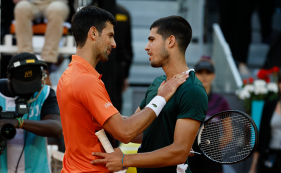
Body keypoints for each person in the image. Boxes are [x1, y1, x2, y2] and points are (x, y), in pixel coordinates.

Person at [56, 6, 188, 173]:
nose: (114, 43)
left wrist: (171, 141)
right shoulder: (85, 81)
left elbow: (118, 127)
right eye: (110, 35)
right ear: (93, 33)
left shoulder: (69, 75)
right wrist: (161, 97)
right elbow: (125, 132)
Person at [92, 16, 208, 173]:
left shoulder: (193, 90)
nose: (147, 47)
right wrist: (97, 119)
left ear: (170, 41)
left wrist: (125, 160)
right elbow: (135, 132)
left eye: (152, 39)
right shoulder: (157, 83)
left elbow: (179, 152)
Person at [0, 52, 62, 173]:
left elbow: (57, 128)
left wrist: (19, 122)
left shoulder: (45, 93)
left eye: (32, 86)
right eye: (22, 86)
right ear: (9, 75)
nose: (27, 93)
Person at [188, 57, 231, 173]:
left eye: (208, 72)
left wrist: (211, 149)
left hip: (212, 159)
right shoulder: (186, 99)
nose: (204, 76)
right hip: (190, 156)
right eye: (200, 72)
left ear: (213, 76)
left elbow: (229, 134)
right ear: (195, 75)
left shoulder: (221, 102)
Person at [248, 70, 281, 173]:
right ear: (279, 84)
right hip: (271, 157)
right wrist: (253, 166)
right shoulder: (269, 105)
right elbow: (261, 138)